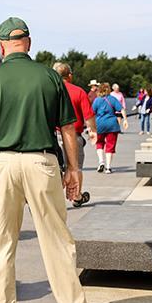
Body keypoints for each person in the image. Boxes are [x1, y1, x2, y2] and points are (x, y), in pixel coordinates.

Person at [0, 17, 90, 303]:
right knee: (57, 241)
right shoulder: (50, 77)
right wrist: (73, 169)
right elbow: (67, 129)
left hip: (1, 163)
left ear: (2, 45)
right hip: (42, 162)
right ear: (29, 43)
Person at [53, 62, 97, 208]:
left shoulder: (49, 91)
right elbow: (89, 116)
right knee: (76, 166)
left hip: (52, 136)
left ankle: (54, 200)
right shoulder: (78, 92)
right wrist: (93, 131)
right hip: (73, 136)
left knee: (56, 168)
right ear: (69, 76)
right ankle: (76, 196)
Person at [92, 82, 129, 173]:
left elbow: (92, 113)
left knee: (99, 143)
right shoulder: (113, 99)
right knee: (110, 145)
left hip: (99, 124)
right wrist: (125, 120)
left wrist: (90, 127)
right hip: (112, 125)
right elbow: (121, 109)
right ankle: (108, 167)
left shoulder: (97, 100)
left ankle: (101, 162)